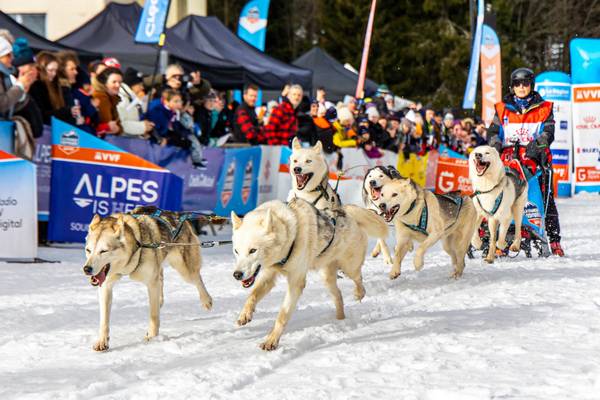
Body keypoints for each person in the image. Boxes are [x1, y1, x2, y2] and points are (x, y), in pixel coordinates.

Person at [487, 67, 564, 256]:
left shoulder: (544, 108)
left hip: (536, 159)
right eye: (517, 83)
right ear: (512, 86)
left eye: (525, 83)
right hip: (508, 160)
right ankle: (499, 237)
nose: (521, 87)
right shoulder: (502, 108)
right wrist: (496, 145)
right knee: (501, 196)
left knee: (546, 199)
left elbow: (548, 132)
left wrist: (537, 145)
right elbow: (493, 133)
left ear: (531, 85)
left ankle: (554, 240)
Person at [144, 89, 206, 168]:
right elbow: (151, 126)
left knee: (187, 142)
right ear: (166, 102)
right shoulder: (157, 111)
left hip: (165, 138)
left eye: (180, 101)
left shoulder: (174, 112)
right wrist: (159, 139)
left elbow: (175, 127)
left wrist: (184, 135)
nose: (179, 104)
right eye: (175, 101)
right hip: (153, 143)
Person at [29, 51, 80, 126]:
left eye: (55, 70)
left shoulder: (56, 85)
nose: (54, 73)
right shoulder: (35, 87)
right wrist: (68, 111)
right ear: (41, 69)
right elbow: (42, 115)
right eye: (50, 70)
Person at [118, 67, 154, 138]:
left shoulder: (130, 98)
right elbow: (121, 124)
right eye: (140, 84)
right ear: (131, 84)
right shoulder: (122, 99)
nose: (142, 87)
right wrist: (143, 127)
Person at [92, 66, 123, 136]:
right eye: (114, 82)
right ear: (105, 83)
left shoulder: (113, 98)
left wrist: (118, 129)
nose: (118, 85)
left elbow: (118, 125)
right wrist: (117, 129)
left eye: (120, 82)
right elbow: (108, 124)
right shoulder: (100, 97)